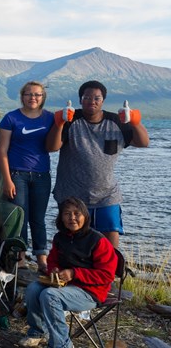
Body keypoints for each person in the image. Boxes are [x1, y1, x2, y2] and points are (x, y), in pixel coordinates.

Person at [46, 80, 149, 248]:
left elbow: (143, 142)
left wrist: (135, 121)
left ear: (103, 100)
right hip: (72, 193)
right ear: (80, 100)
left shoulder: (116, 121)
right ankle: (74, 268)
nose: (91, 101)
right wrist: (60, 123)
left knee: (110, 231)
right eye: (87, 97)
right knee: (73, 234)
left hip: (106, 194)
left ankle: (112, 269)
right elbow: (51, 147)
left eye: (96, 98)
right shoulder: (71, 119)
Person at [19, 197, 117, 348]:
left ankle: (62, 344)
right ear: (61, 217)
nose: (72, 218)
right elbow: (52, 261)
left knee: (49, 295)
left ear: (85, 216)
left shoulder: (98, 240)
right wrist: (54, 270)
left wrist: (73, 273)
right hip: (64, 286)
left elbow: (107, 275)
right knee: (33, 289)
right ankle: (37, 333)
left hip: (90, 292)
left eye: (77, 213)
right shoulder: (60, 238)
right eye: (67, 213)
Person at [0, 81, 54, 271]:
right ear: (22, 96)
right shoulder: (11, 118)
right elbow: (2, 151)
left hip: (41, 175)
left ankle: (41, 258)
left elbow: (55, 143)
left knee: (38, 218)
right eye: (29, 94)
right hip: (17, 174)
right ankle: (20, 257)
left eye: (37, 95)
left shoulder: (49, 118)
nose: (33, 98)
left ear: (43, 98)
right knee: (20, 217)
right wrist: (7, 179)